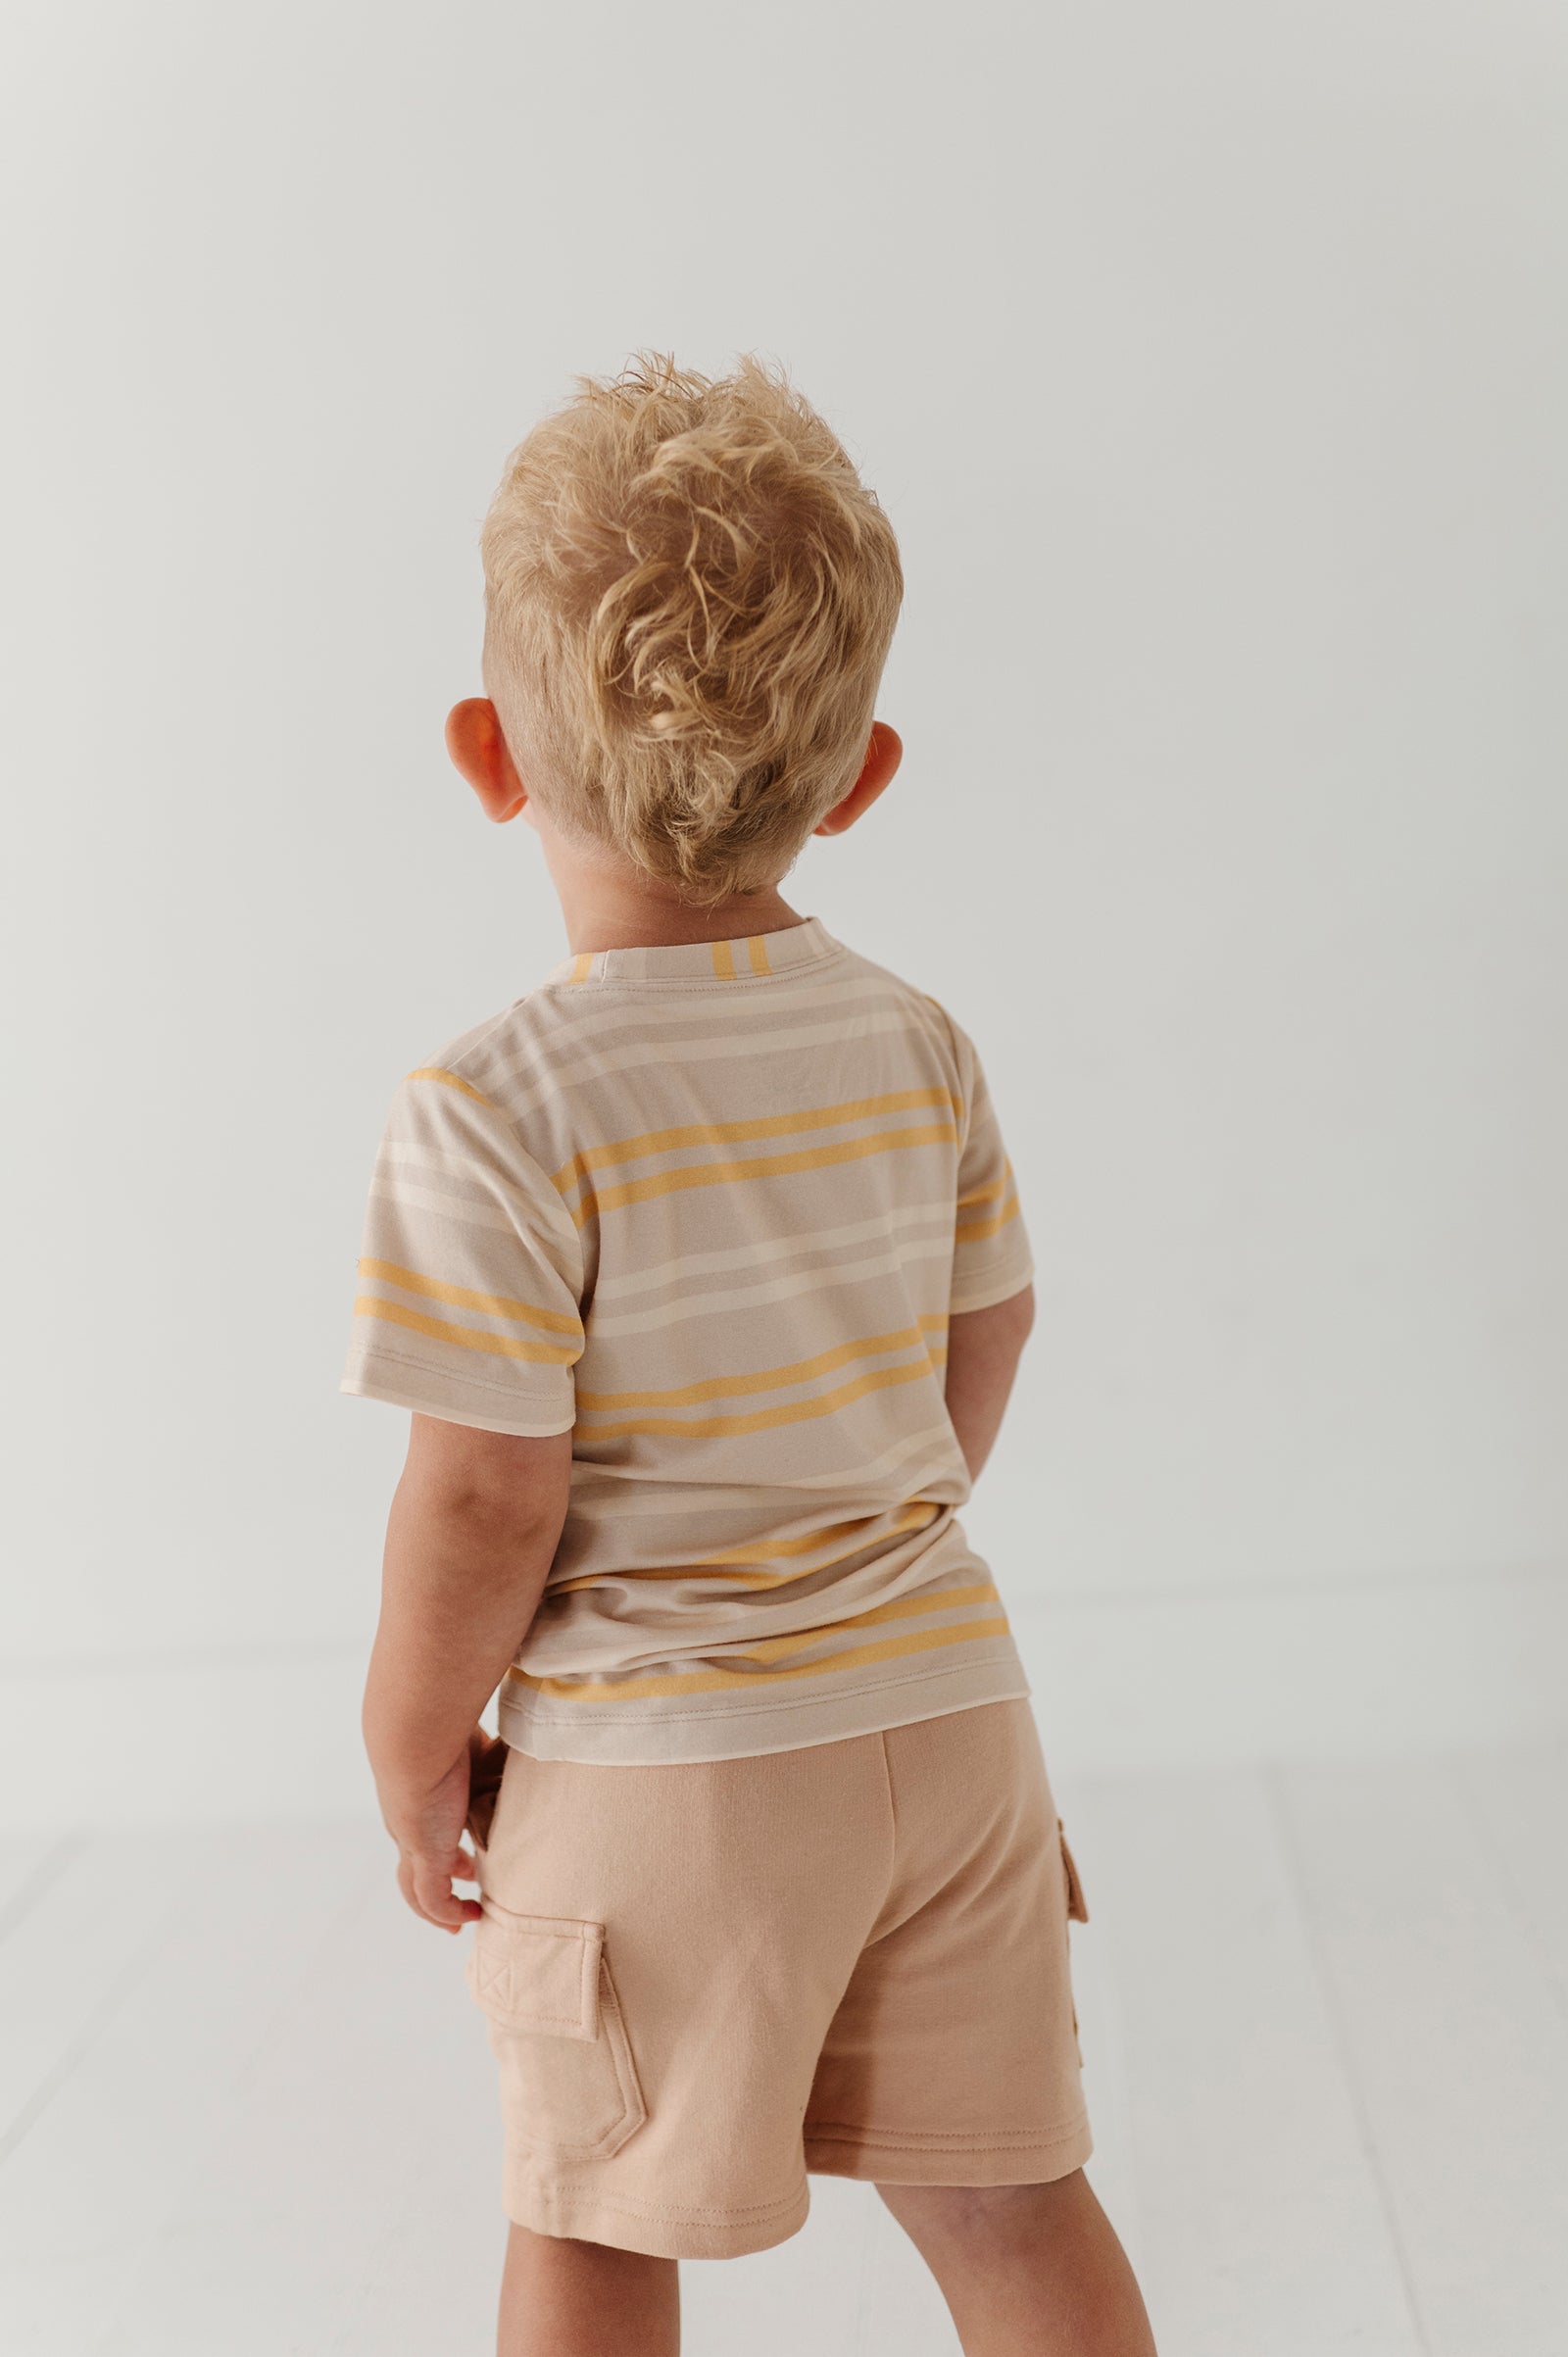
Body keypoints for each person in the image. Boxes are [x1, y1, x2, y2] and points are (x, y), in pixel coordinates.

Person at [342, 352, 1155, 2357]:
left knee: (594, 2225)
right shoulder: (913, 1045)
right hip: (951, 1726)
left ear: (485, 751)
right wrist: (870, 1528)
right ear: (859, 773)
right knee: (1012, 2204)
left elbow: (483, 1491)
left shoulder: (498, 1106)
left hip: (664, 1768)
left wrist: (410, 1742)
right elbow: (990, 1321)